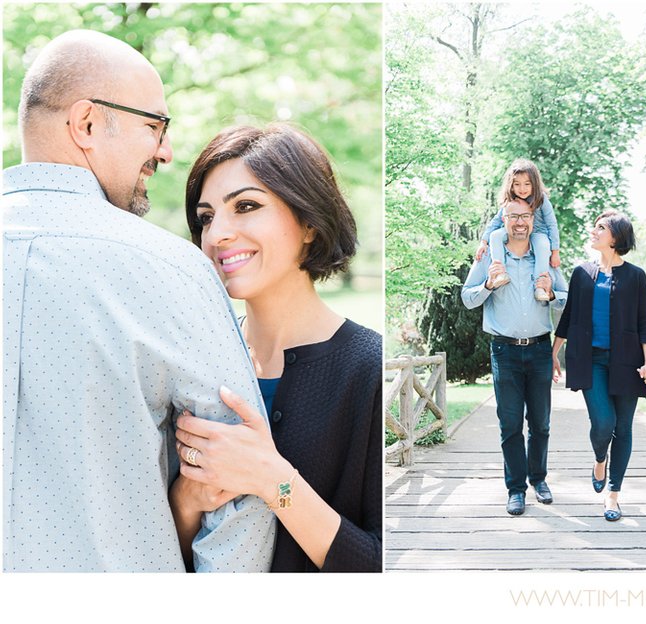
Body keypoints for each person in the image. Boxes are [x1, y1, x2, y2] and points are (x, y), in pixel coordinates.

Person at [2, 30, 275, 572]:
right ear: (85, 125)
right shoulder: (170, 269)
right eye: (155, 125)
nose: (167, 151)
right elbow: (240, 489)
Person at [172, 124, 382, 572]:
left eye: (245, 206)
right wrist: (186, 501)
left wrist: (274, 481)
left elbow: (380, 565)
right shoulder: (193, 363)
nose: (217, 235)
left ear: (309, 223)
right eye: (206, 217)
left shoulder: (368, 370)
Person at [462, 196, 568, 516]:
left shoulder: (545, 259)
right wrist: (489, 285)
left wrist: (550, 293)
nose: (520, 222)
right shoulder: (490, 257)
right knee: (510, 424)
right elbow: (468, 298)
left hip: (538, 349)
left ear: (533, 220)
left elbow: (566, 299)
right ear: (503, 220)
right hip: (503, 350)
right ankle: (516, 489)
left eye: (526, 216)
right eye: (513, 217)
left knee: (541, 423)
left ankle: (539, 480)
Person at [552, 210, 646, 522]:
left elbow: (644, 323)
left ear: (616, 237)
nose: (594, 232)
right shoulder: (581, 272)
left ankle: (613, 495)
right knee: (603, 423)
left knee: (623, 428)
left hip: (628, 362)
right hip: (590, 359)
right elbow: (568, 316)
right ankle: (600, 458)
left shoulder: (636, 276)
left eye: (601, 228)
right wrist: (554, 352)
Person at [475, 159, 560, 299]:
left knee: (543, 245)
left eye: (527, 184)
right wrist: (483, 242)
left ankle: (540, 287)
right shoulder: (510, 202)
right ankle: (500, 273)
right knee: (495, 235)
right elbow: (496, 221)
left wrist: (555, 251)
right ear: (511, 186)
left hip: (538, 233)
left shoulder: (541, 199)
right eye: (517, 184)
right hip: (514, 232)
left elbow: (552, 224)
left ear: (535, 184)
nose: (522, 189)